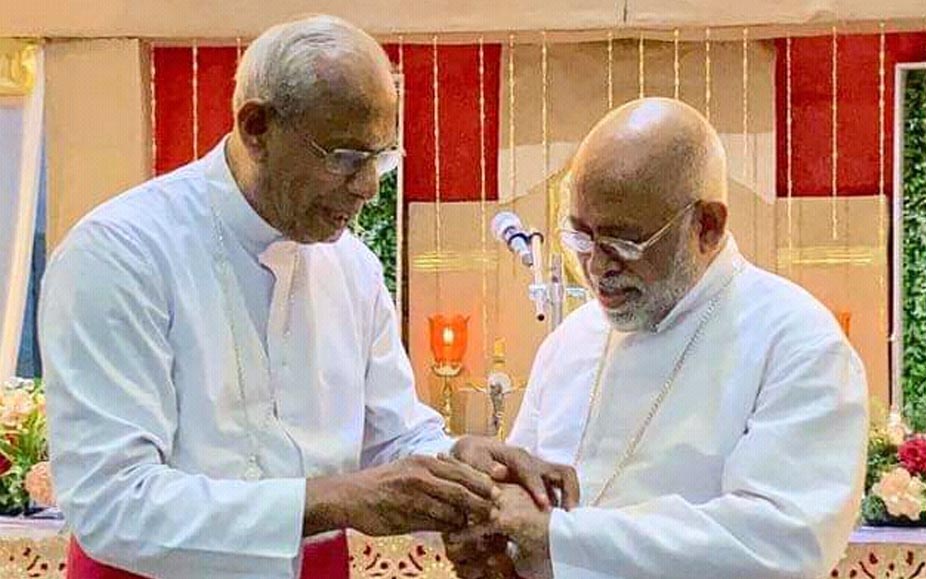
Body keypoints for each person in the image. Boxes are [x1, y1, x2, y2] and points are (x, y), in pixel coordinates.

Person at [39, 15, 577, 579]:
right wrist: (334, 499)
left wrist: (457, 463)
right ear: (256, 128)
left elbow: (391, 436)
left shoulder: (353, 267)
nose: (369, 186)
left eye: (381, 158)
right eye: (346, 157)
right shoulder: (122, 253)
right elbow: (111, 504)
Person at [445, 97, 868, 579]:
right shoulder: (570, 341)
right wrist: (496, 543)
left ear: (707, 226)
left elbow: (781, 544)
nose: (597, 266)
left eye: (624, 242)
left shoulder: (798, 342)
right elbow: (522, 496)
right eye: (581, 237)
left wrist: (558, 538)